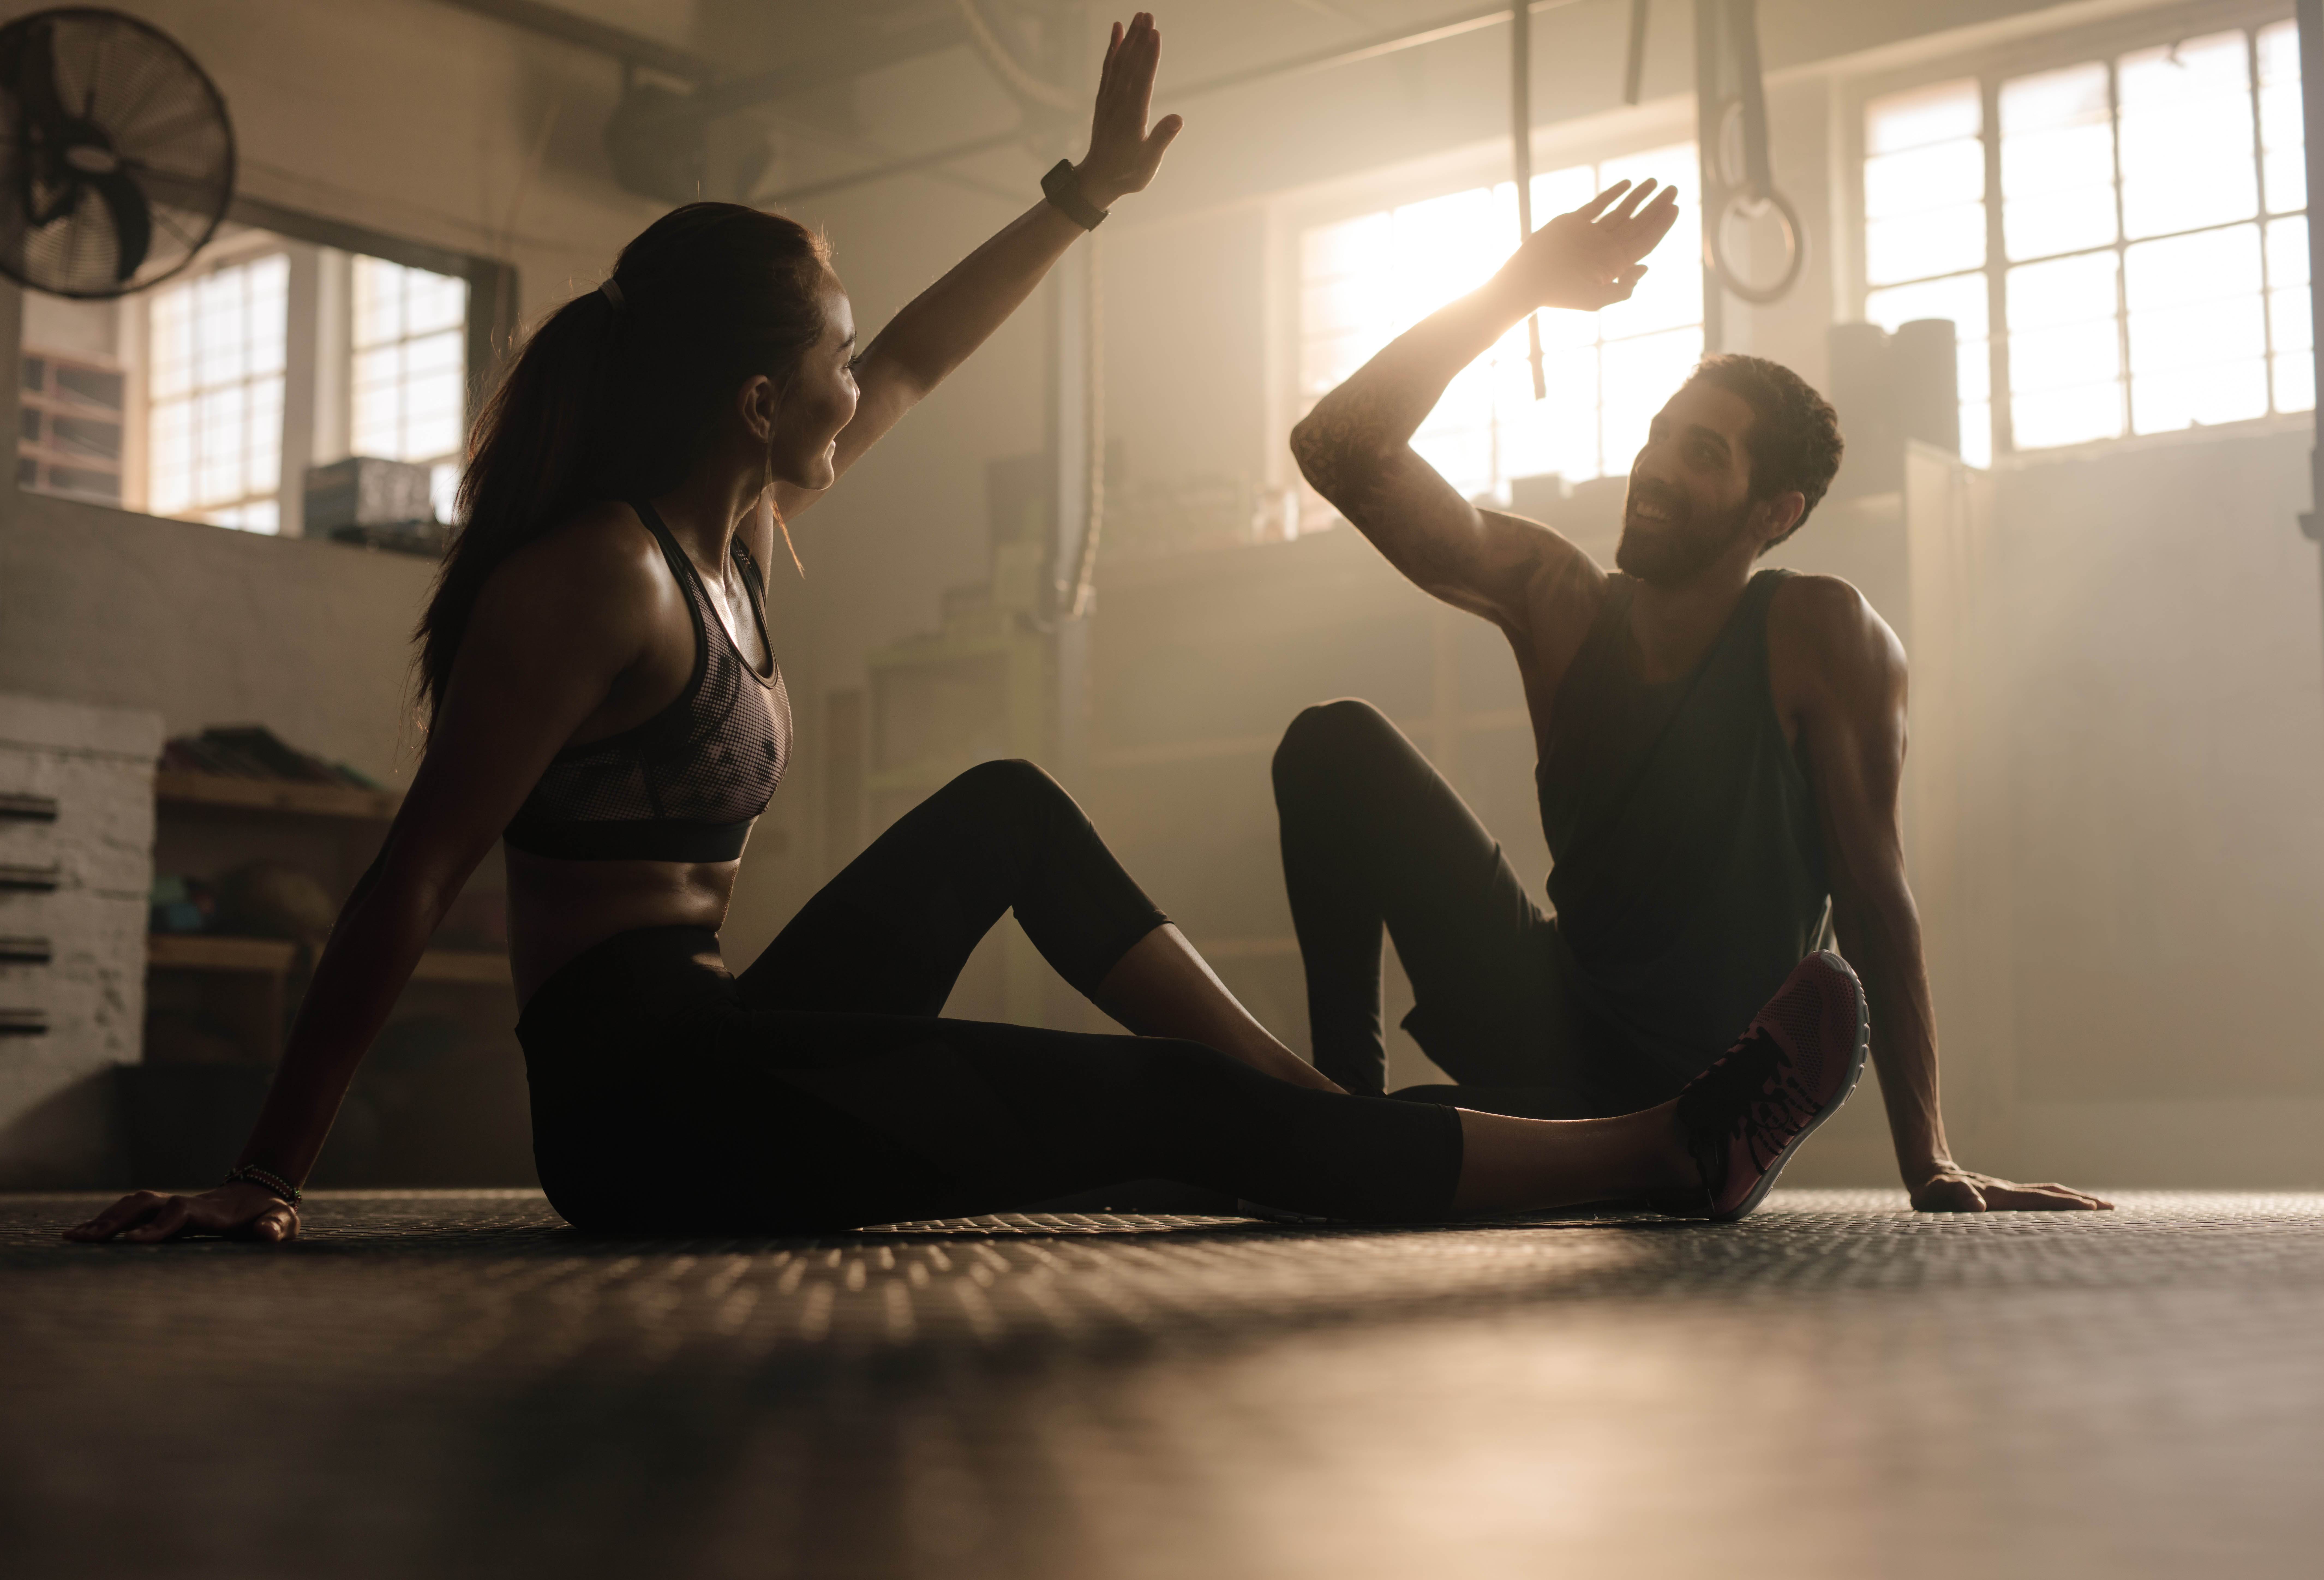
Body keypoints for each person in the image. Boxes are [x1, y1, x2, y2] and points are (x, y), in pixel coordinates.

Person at [66, 16, 1865, 1247]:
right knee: (1148, 1120)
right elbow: (413, 868)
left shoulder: (730, 524)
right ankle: (1646, 1151)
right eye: (830, 352)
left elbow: (921, 346)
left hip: (719, 1038)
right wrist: (262, 1171)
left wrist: (1079, 198)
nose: (870, 372)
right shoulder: (602, 576)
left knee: (1006, 806)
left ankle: (1309, 1107)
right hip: (649, 1118)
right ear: (761, 399)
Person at [1282, 176, 2107, 1214]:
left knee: (1445, 1139)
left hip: (1702, 1086)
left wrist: (1928, 1160)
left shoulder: (1816, 631)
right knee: (1333, 745)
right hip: (1553, 1020)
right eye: (1660, 437)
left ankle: (1588, 1150)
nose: (1654, 469)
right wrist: (1516, 288)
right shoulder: (1562, 602)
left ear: (1774, 511)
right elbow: (1335, 450)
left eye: (1701, 455)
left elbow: (1873, 894)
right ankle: (1335, 1110)